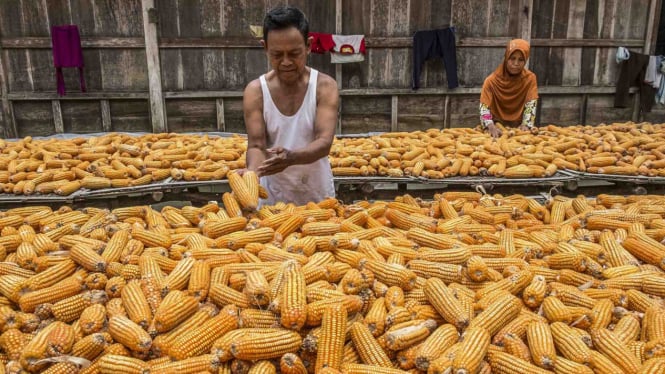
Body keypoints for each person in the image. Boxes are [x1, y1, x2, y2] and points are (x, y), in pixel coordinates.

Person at [243, 5, 339, 206]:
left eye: (294, 53)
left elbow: (324, 142)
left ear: (309, 46)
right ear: (265, 48)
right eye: (277, 55)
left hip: (317, 195)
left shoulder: (324, 86)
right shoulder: (256, 91)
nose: (286, 62)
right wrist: (252, 173)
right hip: (273, 198)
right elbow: (256, 145)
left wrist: (291, 157)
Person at [479, 39, 539, 138]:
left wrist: (526, 124)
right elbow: (484, 107)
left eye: (521, 60)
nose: (516, 63)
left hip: (519, 128)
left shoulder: (530, 79)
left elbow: (531, 104)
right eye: (512, 58)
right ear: (506, 57)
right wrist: (490, 125)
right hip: (495, 127)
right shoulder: (491, 81)